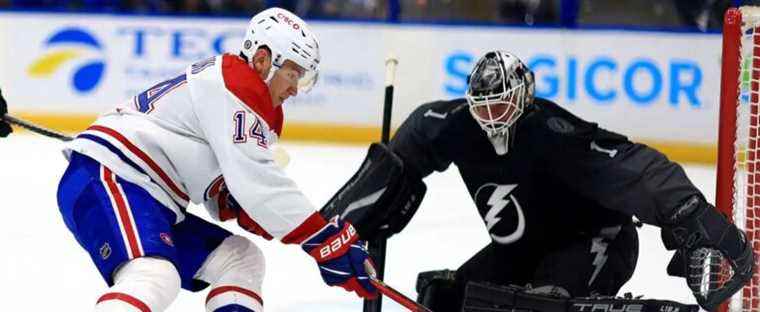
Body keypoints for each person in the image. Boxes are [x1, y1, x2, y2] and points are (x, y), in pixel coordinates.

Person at [375, 50, 753, 311]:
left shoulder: (551, 131)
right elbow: (412, 145)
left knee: (540, 306)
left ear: (523, 96)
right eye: (484, 105)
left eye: (500, 103)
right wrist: (359, 219)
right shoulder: (458, 127)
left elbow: (630, 167)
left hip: (596, 241)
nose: (492, 116)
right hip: (524, 249)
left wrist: (688, 210)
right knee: (444, 297)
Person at [56, 7, 376, 312]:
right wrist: (324, 238)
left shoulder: (243, 96)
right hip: (112, 177)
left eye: (302, 79)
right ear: (263, 60)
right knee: (154, 275)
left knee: (241, 260)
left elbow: (230, 189)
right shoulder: (239, 88)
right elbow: (260, 185)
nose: (295, 88)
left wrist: (238, 203)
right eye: (293, 74)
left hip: (147, 192)